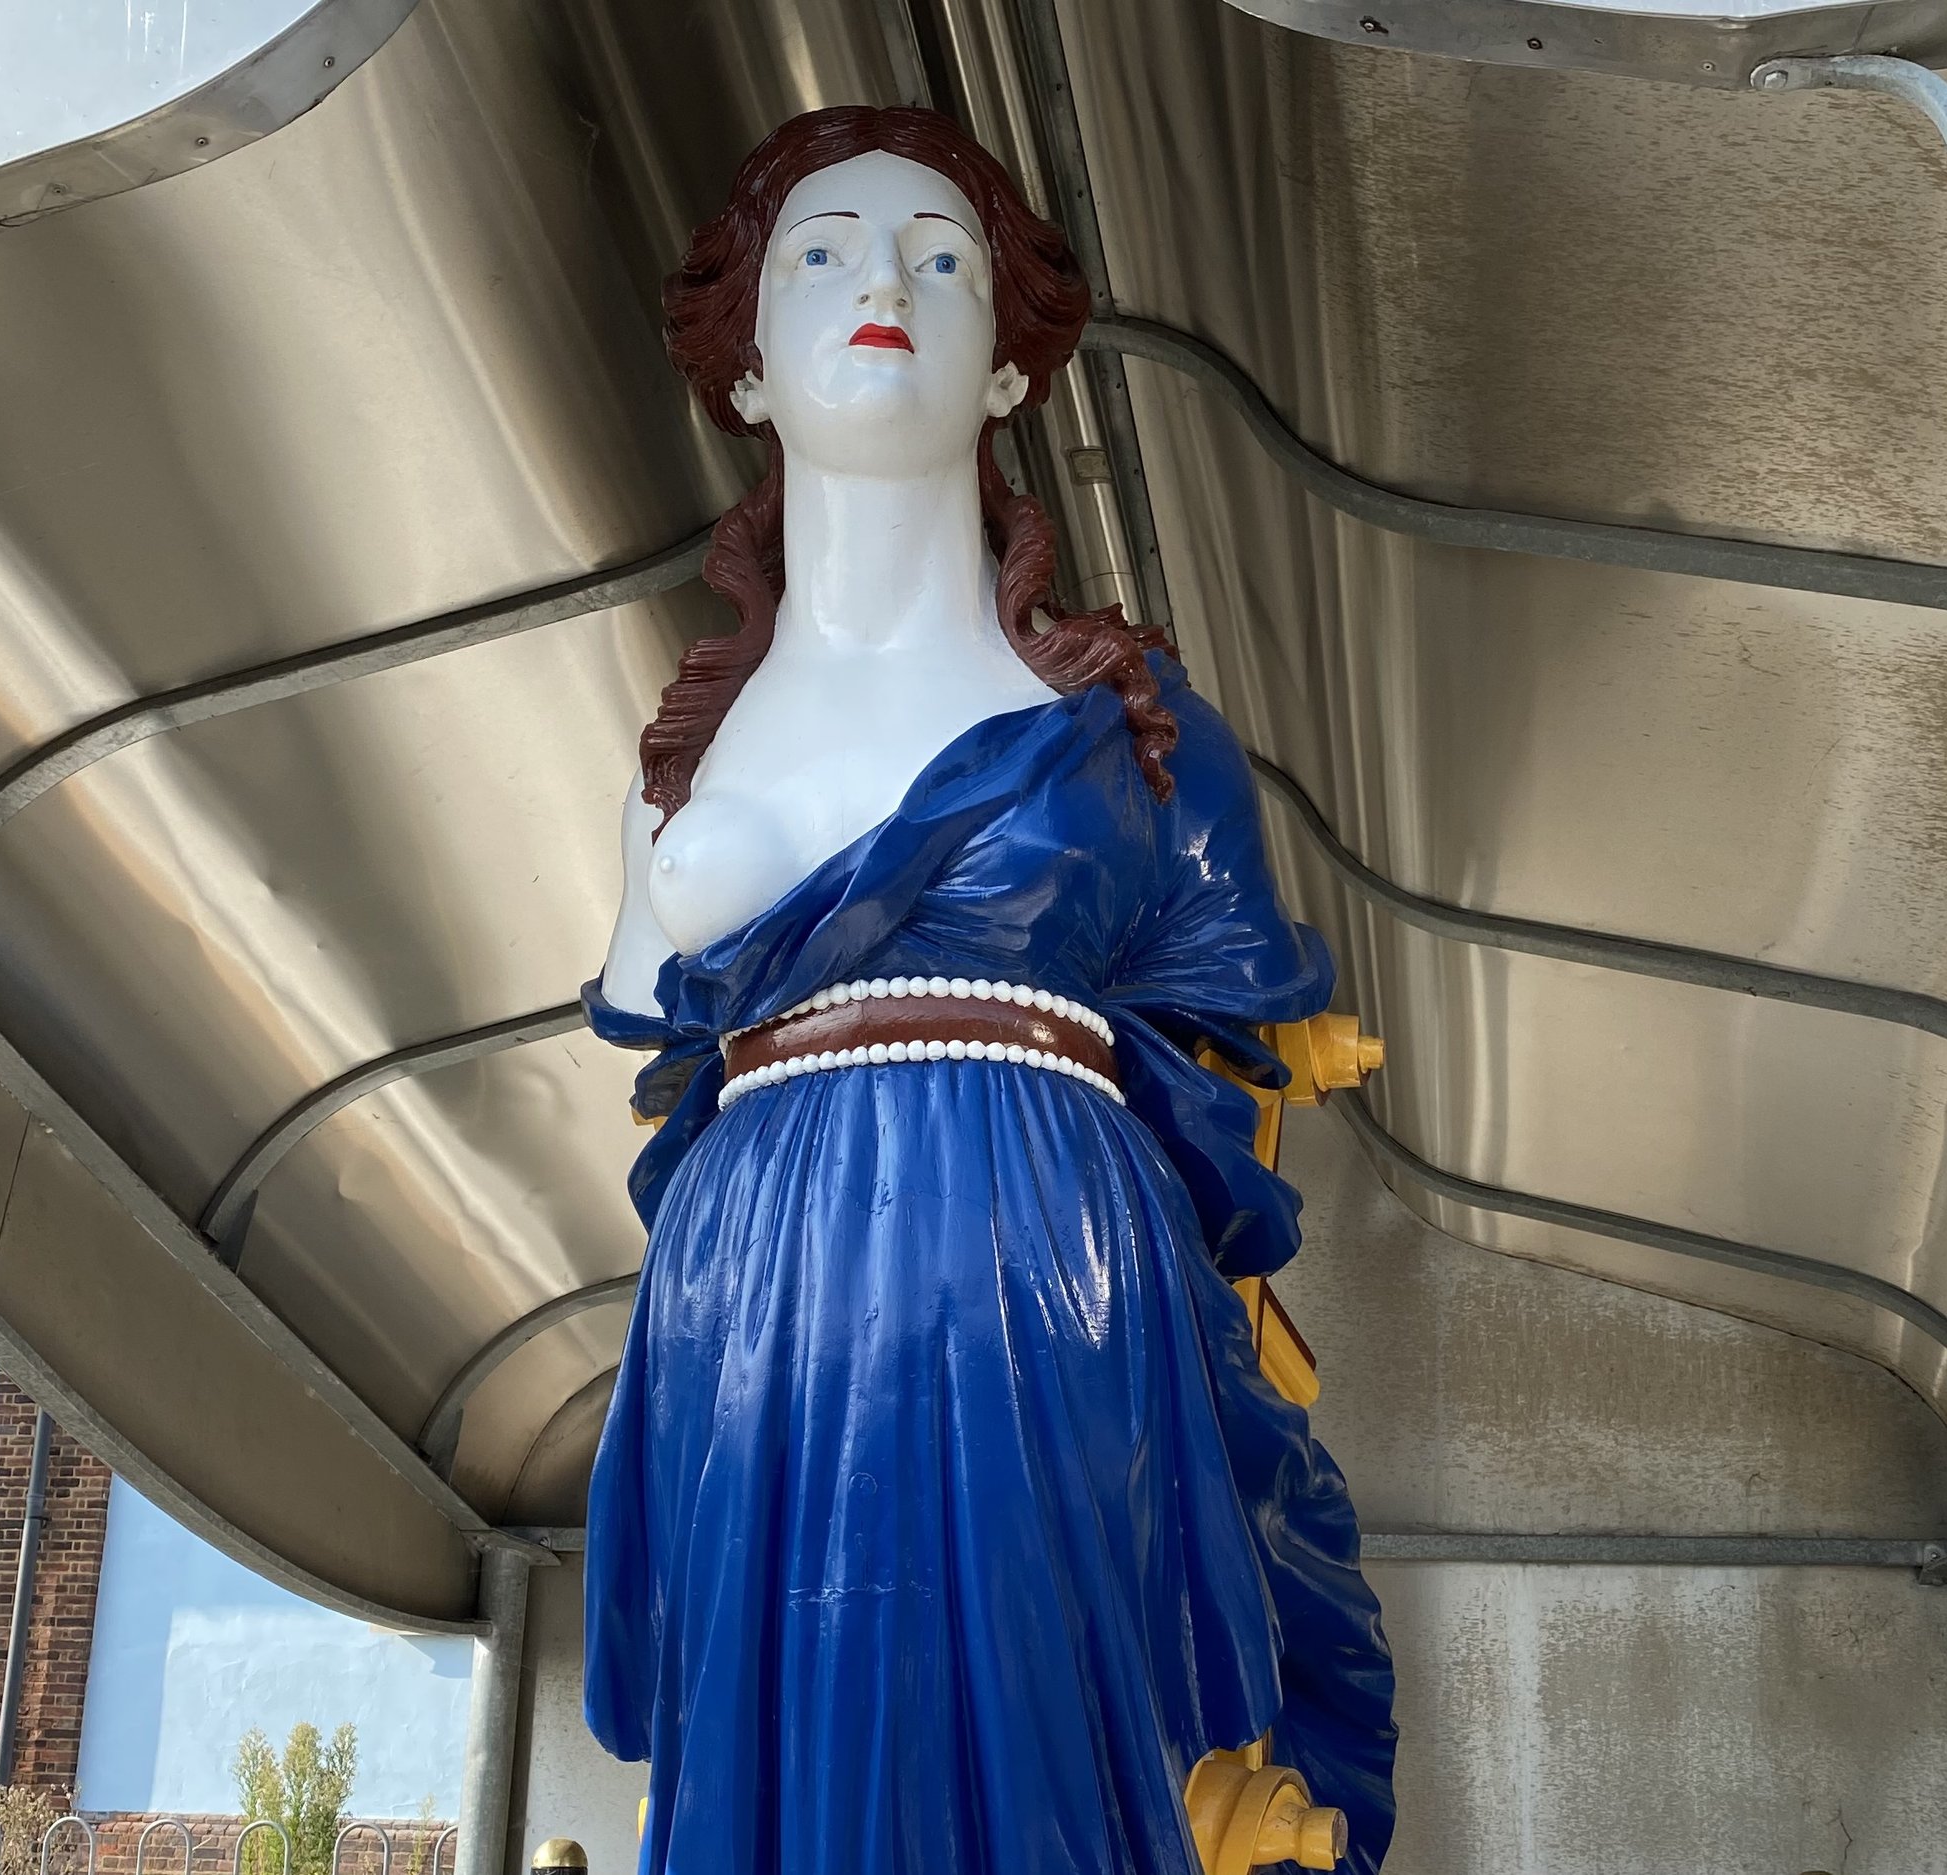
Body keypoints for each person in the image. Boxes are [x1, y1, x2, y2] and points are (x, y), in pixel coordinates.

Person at [580, 104, 1395, 1875]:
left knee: (1044, 1718)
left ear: (1014, 372)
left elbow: (1231, 1029)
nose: (883, 281)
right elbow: (652, 1022)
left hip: (1044, 1257)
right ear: (748, 375)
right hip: (760, 1288)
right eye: (824, 254)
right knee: (770, 1735)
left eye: (939, 258)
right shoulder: (674, 760)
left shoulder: (1133, 739)